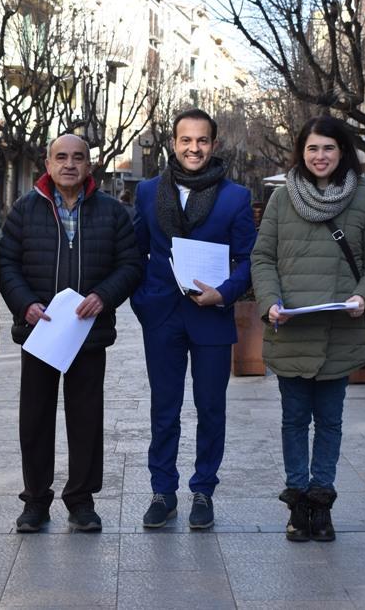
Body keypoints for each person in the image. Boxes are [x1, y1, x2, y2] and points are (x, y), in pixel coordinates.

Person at [250, 115, 365, 542]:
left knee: (329, 421)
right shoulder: (280, 200)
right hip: (291, 331)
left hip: (340, 331)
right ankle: (297, 505)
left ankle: (321, 502)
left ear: (343, 151)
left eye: (328, 148)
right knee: (294, 420)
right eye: (312, 148)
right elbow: (263, 259)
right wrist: (270, 301)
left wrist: (364, 296)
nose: (320, 156)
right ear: (302, 152)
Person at [0, 134, 141, 533]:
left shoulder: (112, 212)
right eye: (61, 157)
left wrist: (104, 296)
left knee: (85, 418)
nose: (69, 164)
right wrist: (24, 303)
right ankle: (35, 501)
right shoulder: (25, 210)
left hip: (88, 334)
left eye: (78, 158)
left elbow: (130, 265)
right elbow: (6, 263)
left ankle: (81, 500)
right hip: (40, 331)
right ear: (47, 163)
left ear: (89, 165)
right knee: (35, 419)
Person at [131, 108, 256, 529]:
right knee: (164, 409)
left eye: (202, 141)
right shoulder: (148, 192)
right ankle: (162, 491)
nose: (194, 148)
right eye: (186, 140)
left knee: (210, 408)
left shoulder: (236, 197)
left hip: (212, 316)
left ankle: (203, 490)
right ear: (173, 143)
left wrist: (226, 293)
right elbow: (134, 252)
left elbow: (248, 259)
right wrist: (141, 302)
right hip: (162, 314)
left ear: (214, 145)